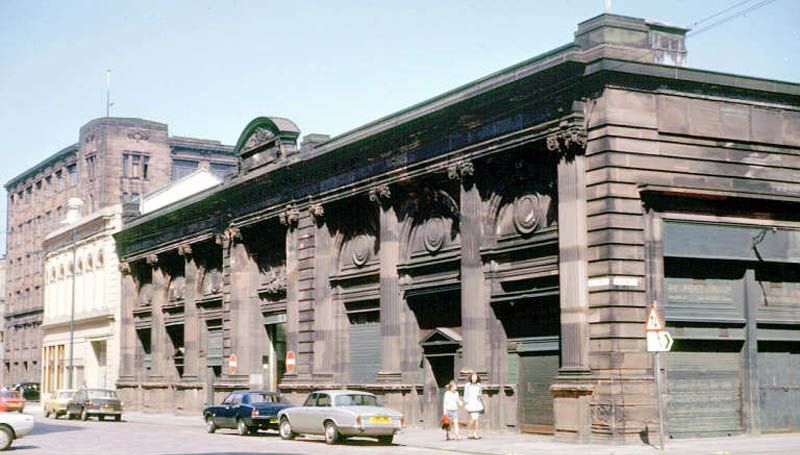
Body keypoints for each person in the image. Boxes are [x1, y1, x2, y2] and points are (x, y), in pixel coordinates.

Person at [463, 371, 484, 439]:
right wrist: (465, 404)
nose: (474, 378)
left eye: (475, 377)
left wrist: (479, 395)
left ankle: (475, 433)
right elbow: (465, 394)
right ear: (471, 378)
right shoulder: (467, 385)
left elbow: (480, 393)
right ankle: (469, 431)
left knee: (476, 419)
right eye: (473, 377)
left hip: (477, 403)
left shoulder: (479, 385)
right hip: (470, 403)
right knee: (473, 418)